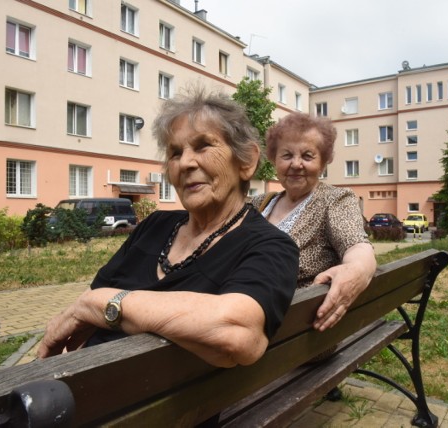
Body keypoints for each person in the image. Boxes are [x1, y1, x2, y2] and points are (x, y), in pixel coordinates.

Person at [37, 89, 299, 370]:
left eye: (202, 146)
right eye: (175, 152)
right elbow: (88, 321)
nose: (185, 163)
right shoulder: (155, 225)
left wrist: (100, 303)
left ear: (246, 161)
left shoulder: (270, 246)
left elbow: (237, 332)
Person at [251, 112, 376, 333]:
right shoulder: (258, 203)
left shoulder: (334, 200)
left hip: (294, 332)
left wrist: (358, 269)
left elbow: (355, 243)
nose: (296, 164)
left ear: (323, 163)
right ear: (274, 159)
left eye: (308, 156)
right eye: (287, 155)